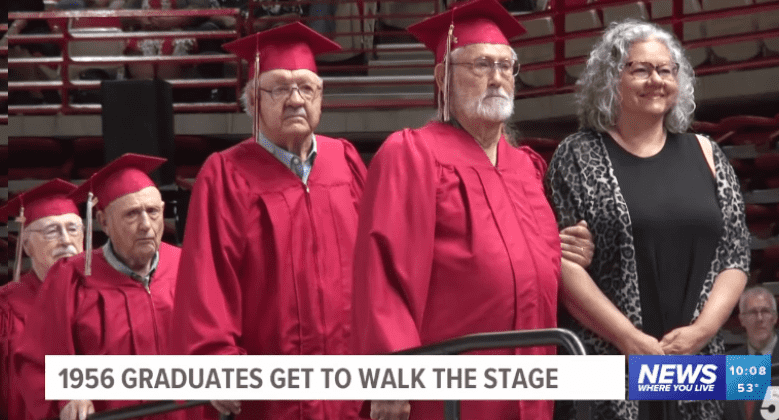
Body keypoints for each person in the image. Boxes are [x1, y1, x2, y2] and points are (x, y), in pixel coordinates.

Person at [351, 1, 593, 419]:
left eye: (506, 66)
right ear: (442, 78)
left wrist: (564, 249)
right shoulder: (412, 155)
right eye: (481, 64)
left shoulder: (526, 167)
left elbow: (519, 257)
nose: (497, 77)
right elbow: (384, 272)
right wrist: (391, 373)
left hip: (531, 382)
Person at [547, 19, 750, 419]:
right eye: (640, 69)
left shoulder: (707, 152)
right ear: (611, 80)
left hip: (695, 363)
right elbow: (563, 263)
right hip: (610, 366)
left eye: (666, 70)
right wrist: (629, 339)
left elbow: (735, 254)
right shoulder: (577, 154)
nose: (656, 80)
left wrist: (701, 332)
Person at [170, 22, 366, 420]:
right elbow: (208, 276)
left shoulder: (345, 161)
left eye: (306, 88)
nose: (295, 100)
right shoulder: (226, 173)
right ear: (253, 102)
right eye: (279, 88)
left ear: (321, 98)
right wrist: (216, 357)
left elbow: (376, 269)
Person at [14, 154, 195, 420]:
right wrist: (68, 393)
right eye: (132, 214)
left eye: (153, 211)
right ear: (104, 221)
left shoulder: (189, 267)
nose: (146, 225)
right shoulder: (70, 278)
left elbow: (222, 339)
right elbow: (38, 358)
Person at [1, 179, 84, 420]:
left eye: (73, 229)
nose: (66, 240)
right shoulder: (6, 307)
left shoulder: (105, 296)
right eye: (51, 231)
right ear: (27, 246)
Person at [724, 287, 779, 420]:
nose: (759, 318)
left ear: (775, 317)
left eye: (765, 311)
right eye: (752, 312)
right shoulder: (728, 362)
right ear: (742, 319)